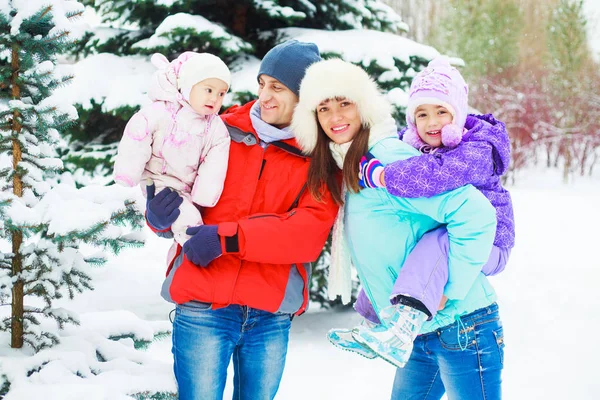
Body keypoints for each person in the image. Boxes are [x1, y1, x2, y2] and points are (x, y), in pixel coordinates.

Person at [292, 58, 504, 399]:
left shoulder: (385, 157)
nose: (335, 117)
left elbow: (476, 213)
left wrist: (451, 289)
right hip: (421, 328)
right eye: (324, 108)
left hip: (462, 323)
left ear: (364, 106)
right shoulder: (351, 164)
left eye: (345, 103)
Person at [144, 40, 339, 400]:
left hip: (269, 313)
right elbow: (177, 196)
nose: (265, 95)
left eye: (277, 87)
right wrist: (159, 217)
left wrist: (225, 238)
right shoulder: (213, 131)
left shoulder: (320, 159)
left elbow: (306, 234)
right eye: (263, 83)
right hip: (203, 304)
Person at [334, 56, 515, 367]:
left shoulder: (475, 149)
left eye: (441, 112)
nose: (432, 122)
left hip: (491, 241)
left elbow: (435, 174)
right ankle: (375, 323)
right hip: (453, 235)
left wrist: (381, 176)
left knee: (433, 244)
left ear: (458, 114)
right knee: (410, 251)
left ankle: (403, 327)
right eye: (422, 114)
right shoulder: (421, 148)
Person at [114, 52, 231, 245]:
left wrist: (204, 195)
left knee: (191, 216)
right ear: (188, 85)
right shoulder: (160, 112)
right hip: (157, 181)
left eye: (221, 94)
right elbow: (137, 136)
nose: (214, 99)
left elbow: (216, 161)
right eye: (208, 90)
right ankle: (195, 245)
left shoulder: (215, 127)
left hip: (186, 189)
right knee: (184, 217)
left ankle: (197, 247)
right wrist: (127, 173)